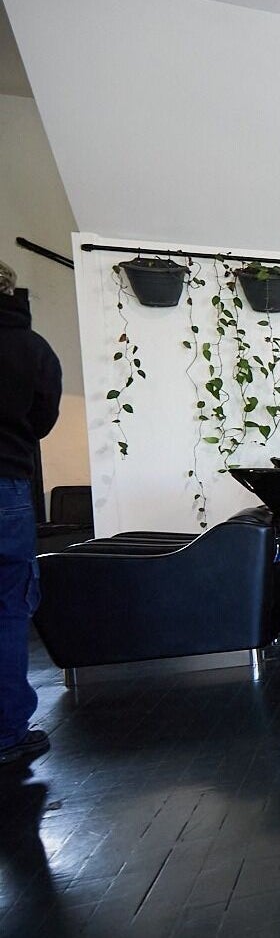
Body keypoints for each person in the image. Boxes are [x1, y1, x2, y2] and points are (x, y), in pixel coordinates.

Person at [0, 261, 61, 768]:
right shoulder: (32, 348)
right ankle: (7, 731)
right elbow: (42, 419)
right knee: (7, 607)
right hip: (7, 484)